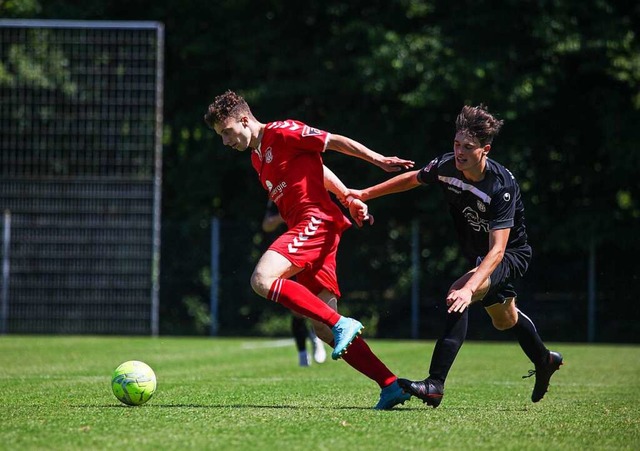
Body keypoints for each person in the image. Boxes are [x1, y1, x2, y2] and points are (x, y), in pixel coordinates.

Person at [204, 90, 415, 409]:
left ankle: (341, 322)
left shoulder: (282, 131)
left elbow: (334, 141)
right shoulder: (257, 157)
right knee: (322, 329)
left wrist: (377, 160)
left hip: (315, 222)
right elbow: (317, 169)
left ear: (244, 120)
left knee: (262, 279)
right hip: (313, 229)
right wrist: (346, 197)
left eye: (227, 132)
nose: (225, 141)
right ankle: (389, 384)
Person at [349, 104, 563, 407]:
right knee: (505, 319)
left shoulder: (500, 187)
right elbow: (412, 180)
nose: (459, 152)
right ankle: (545, 360)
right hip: (481, 256)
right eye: (456, 144)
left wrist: (468, 287)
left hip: (509, 255)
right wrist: (365, 194)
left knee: (455, 296)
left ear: (485, 150)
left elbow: (499, 250)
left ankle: (435, 385)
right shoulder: (448, 166)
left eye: (468, 147)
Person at [262, 199, 327, 367]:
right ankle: (303, 353)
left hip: (310, 249)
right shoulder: (277, 195)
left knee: (314, 300)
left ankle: (316, 337)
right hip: (288, 253)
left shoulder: (310, 193)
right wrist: (283, 217)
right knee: (296, 309)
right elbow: (267, 225)